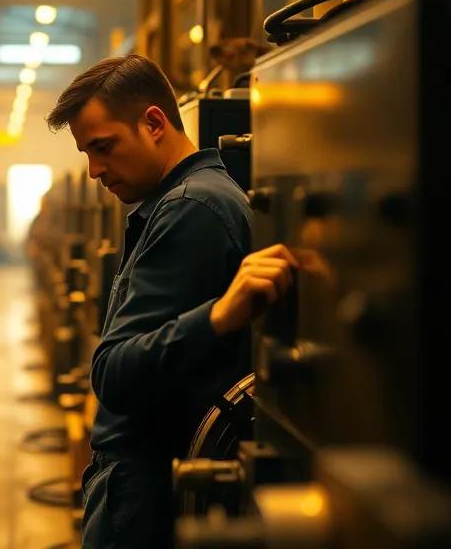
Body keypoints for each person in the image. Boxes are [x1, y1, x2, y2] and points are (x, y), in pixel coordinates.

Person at [44, 54, 299, 549]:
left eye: (104, 147)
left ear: (154, 123)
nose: (96, 170)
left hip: (147, 496)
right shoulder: (183, 200)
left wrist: (217, 319)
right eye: (87, 154)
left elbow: (117, 377)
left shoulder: (190, 209)